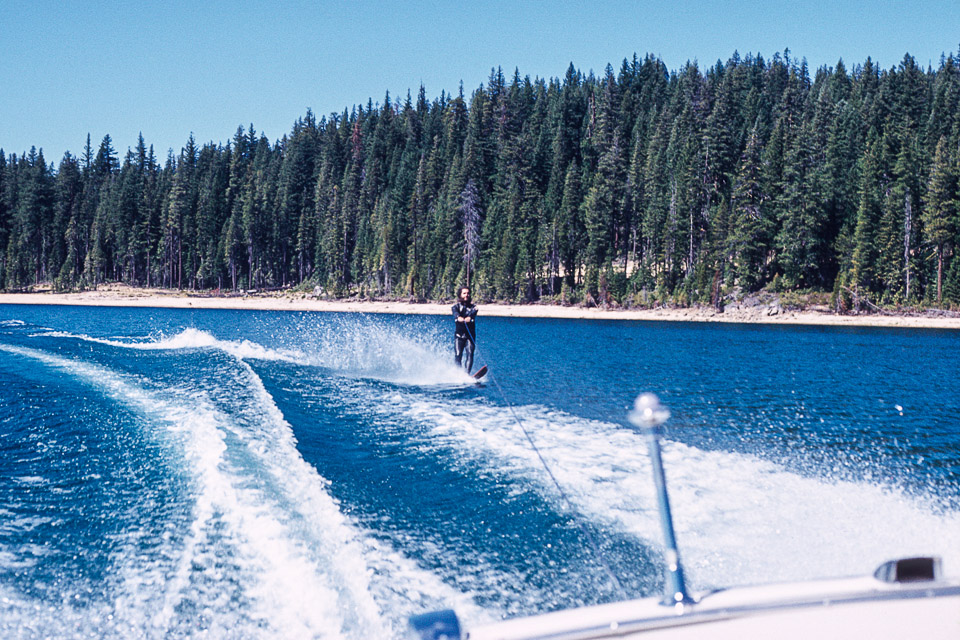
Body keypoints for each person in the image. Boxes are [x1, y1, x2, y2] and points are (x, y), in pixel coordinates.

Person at [452, 286, 478, 373]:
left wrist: (469, 318)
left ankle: (467, 375)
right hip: (459, 336)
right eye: (464, 293)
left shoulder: (474, 307)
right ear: (460, 295)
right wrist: (458, 317)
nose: (466, 295)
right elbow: (455, 313)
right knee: (458, 355)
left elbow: (473, 313)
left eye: (468, 293)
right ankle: (458, 374)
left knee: (470, 354)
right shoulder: (455, 307)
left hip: (470, 336)